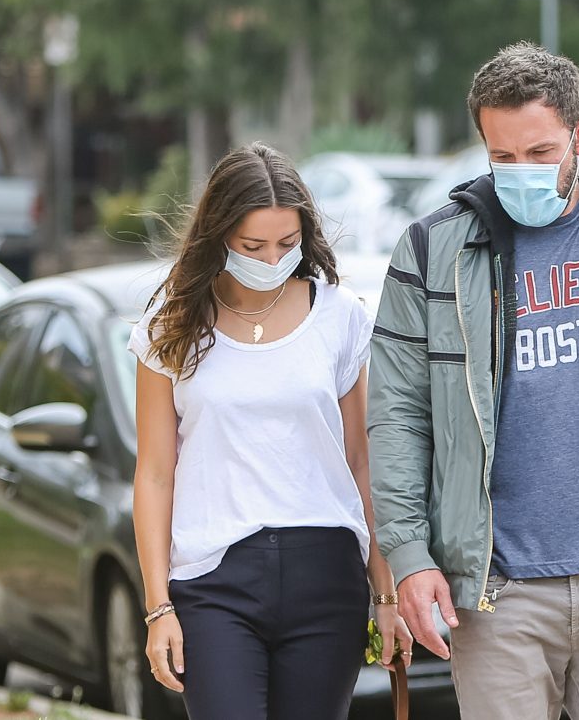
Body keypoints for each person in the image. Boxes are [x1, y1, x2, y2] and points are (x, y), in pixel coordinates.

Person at [368, 42, 579, 719]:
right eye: (501, 157)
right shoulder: (429, 252)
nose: (519, 170)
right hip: (498, 591)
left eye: (539, 153)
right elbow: (398, 416)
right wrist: (410, 557)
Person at [129, 142, 412, 720]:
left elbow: (363, 463)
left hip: (326, 574)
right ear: (218, 237)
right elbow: (156, 475)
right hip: (212, 584)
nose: (271, 258)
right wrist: (159, 608)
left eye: (287, 244)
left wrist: (385, 593)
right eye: (252, 246)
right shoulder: (170, 326)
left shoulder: (341, 316)